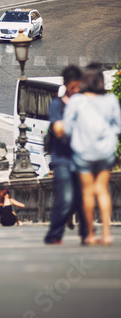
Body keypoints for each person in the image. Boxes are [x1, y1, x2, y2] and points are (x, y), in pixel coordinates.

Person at [62, 63, 121, 246]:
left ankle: (90, 235)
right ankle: (106, 234)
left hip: (83, 152)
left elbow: (67, 129)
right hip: (105, 151)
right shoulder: (111, 99)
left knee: (88, 192)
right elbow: (118, 126)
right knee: (102, 191)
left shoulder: (76, 101)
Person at [44, 65, 88, 245]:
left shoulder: (84, 103)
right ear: (66, 85)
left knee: (82, 198)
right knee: (66, 197)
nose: (76, 91)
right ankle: (54, 234)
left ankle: (87, 235)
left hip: (80, 157)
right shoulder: (57, 104)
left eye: (78, 87)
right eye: (73, 87)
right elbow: (58, 130)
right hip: (61, 158)